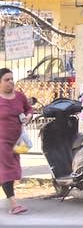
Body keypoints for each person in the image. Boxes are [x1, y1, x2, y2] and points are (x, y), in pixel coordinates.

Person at [0, 68, 32, 215]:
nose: (11, 82)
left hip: (18, 141)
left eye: (12, 78)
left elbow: (29, 109)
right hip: (2, 141)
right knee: (7, 170)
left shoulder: (19, 96)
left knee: (14, 170)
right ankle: (14, 204)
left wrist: (29, 117)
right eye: (7, 79)